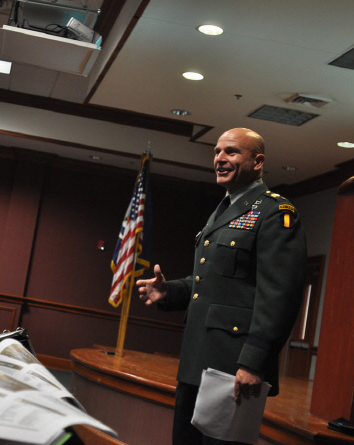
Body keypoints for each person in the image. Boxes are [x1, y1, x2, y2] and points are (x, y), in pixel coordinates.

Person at [136, 128, 307, 445]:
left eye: (231, 152)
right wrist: (169, 291)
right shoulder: (224, 210)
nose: (220, 159)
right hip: (196, 361)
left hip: (234, 366)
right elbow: (211, 283)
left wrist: (254, 361)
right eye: (216, 152)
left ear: (258, 162)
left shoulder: (274, 212)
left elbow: (280, 295)